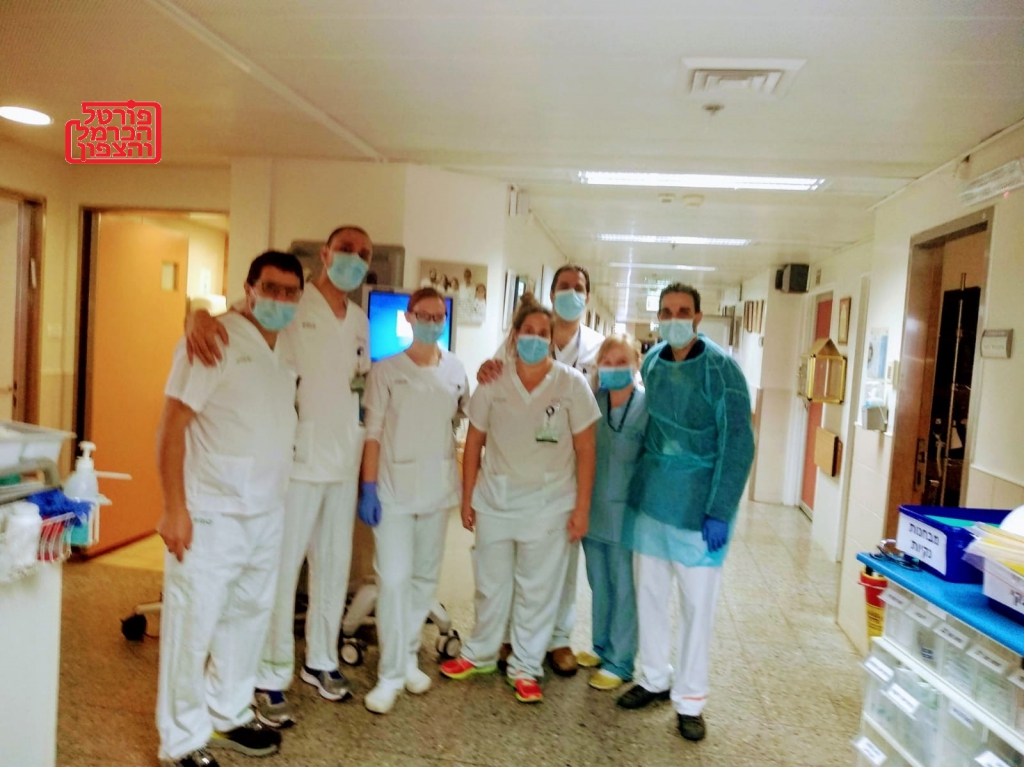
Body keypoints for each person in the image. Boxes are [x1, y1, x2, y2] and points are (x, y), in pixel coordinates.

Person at [185, 225, 373, 727]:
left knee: (334, 566)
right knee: (281, 572)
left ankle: (322, 660)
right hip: (296, 460)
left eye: (363, 254)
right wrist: (196, 315)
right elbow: (237, 320)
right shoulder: (292, 303)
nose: (354, 260)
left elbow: (357, 383)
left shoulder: (359, 319)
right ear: (325, 254)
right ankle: (270, 673)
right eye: (346, 250)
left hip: (343, 459)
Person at [154, 251, 304, 767]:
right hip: (210, 512)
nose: (280, 299)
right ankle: (181, 739)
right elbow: (172, 426)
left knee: (247, 618)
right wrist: (174, 508)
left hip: (265, 511)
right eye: (271, 288)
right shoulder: (212, 340)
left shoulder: (284, 347)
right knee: (191, 626)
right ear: (249, 288)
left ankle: (229, 710)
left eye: (290, 292)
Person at [439, 295, 600, 703]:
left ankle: (526, 666)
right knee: (490, 585)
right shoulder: (493, 381)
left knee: (536, 590)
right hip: (496, 500)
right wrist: (467, 497)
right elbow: (474, 442)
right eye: (528, 331)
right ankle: (480, 652)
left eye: (543, 333)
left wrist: (582, 508)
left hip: (550, 505)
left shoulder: (572, 384)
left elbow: (587, 449)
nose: (535, 339)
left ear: (551, 339)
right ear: (514, 336)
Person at [616, 283, 755, 744]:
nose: (674, 318)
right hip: (653, 501)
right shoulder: (653, 362)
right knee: (650, 596)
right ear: (658, 317)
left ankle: (690, 700)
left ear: (698, 317)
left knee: (697, 608)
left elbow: (738, 443)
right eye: (667, 311)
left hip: (700, 508)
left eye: (683, 311)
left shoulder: (722, 371)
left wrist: (720, 509)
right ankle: (654, 677)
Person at [477, 264, 604, 676]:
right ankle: (510, 637)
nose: (571, 293)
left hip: (563, 473)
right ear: (552, 293)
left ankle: (558, 639)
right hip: (519, 472)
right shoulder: (519, 339)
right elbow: (497, 377)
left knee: (560, 566)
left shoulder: (598, 347)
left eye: (578, 288)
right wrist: (484, 369)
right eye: (564, 286)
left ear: (587, 296)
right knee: (516, 566)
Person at [357, 288, 469, 715]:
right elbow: (372, 433)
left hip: (437, 489)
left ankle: (406, 658)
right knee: (393, 580)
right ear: (409, 317)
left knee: (423, 579)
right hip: (393, 490)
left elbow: (464, 413)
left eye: (438, 316)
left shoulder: (456, 368)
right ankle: (388, 675)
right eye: (424, 314)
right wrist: (368, 487)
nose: (432, 322)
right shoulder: (386, 371)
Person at [576, 335, 647, 692]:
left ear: (636, 366)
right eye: (608, 362)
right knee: (599, 583)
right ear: (598, 366)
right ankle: (601, 646)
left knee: (624, 588)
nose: (614, 369)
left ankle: (621, 661)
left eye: (622, 362)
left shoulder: (647, 406)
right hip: (594, 510)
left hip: (629, 515)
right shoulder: (591, 403)